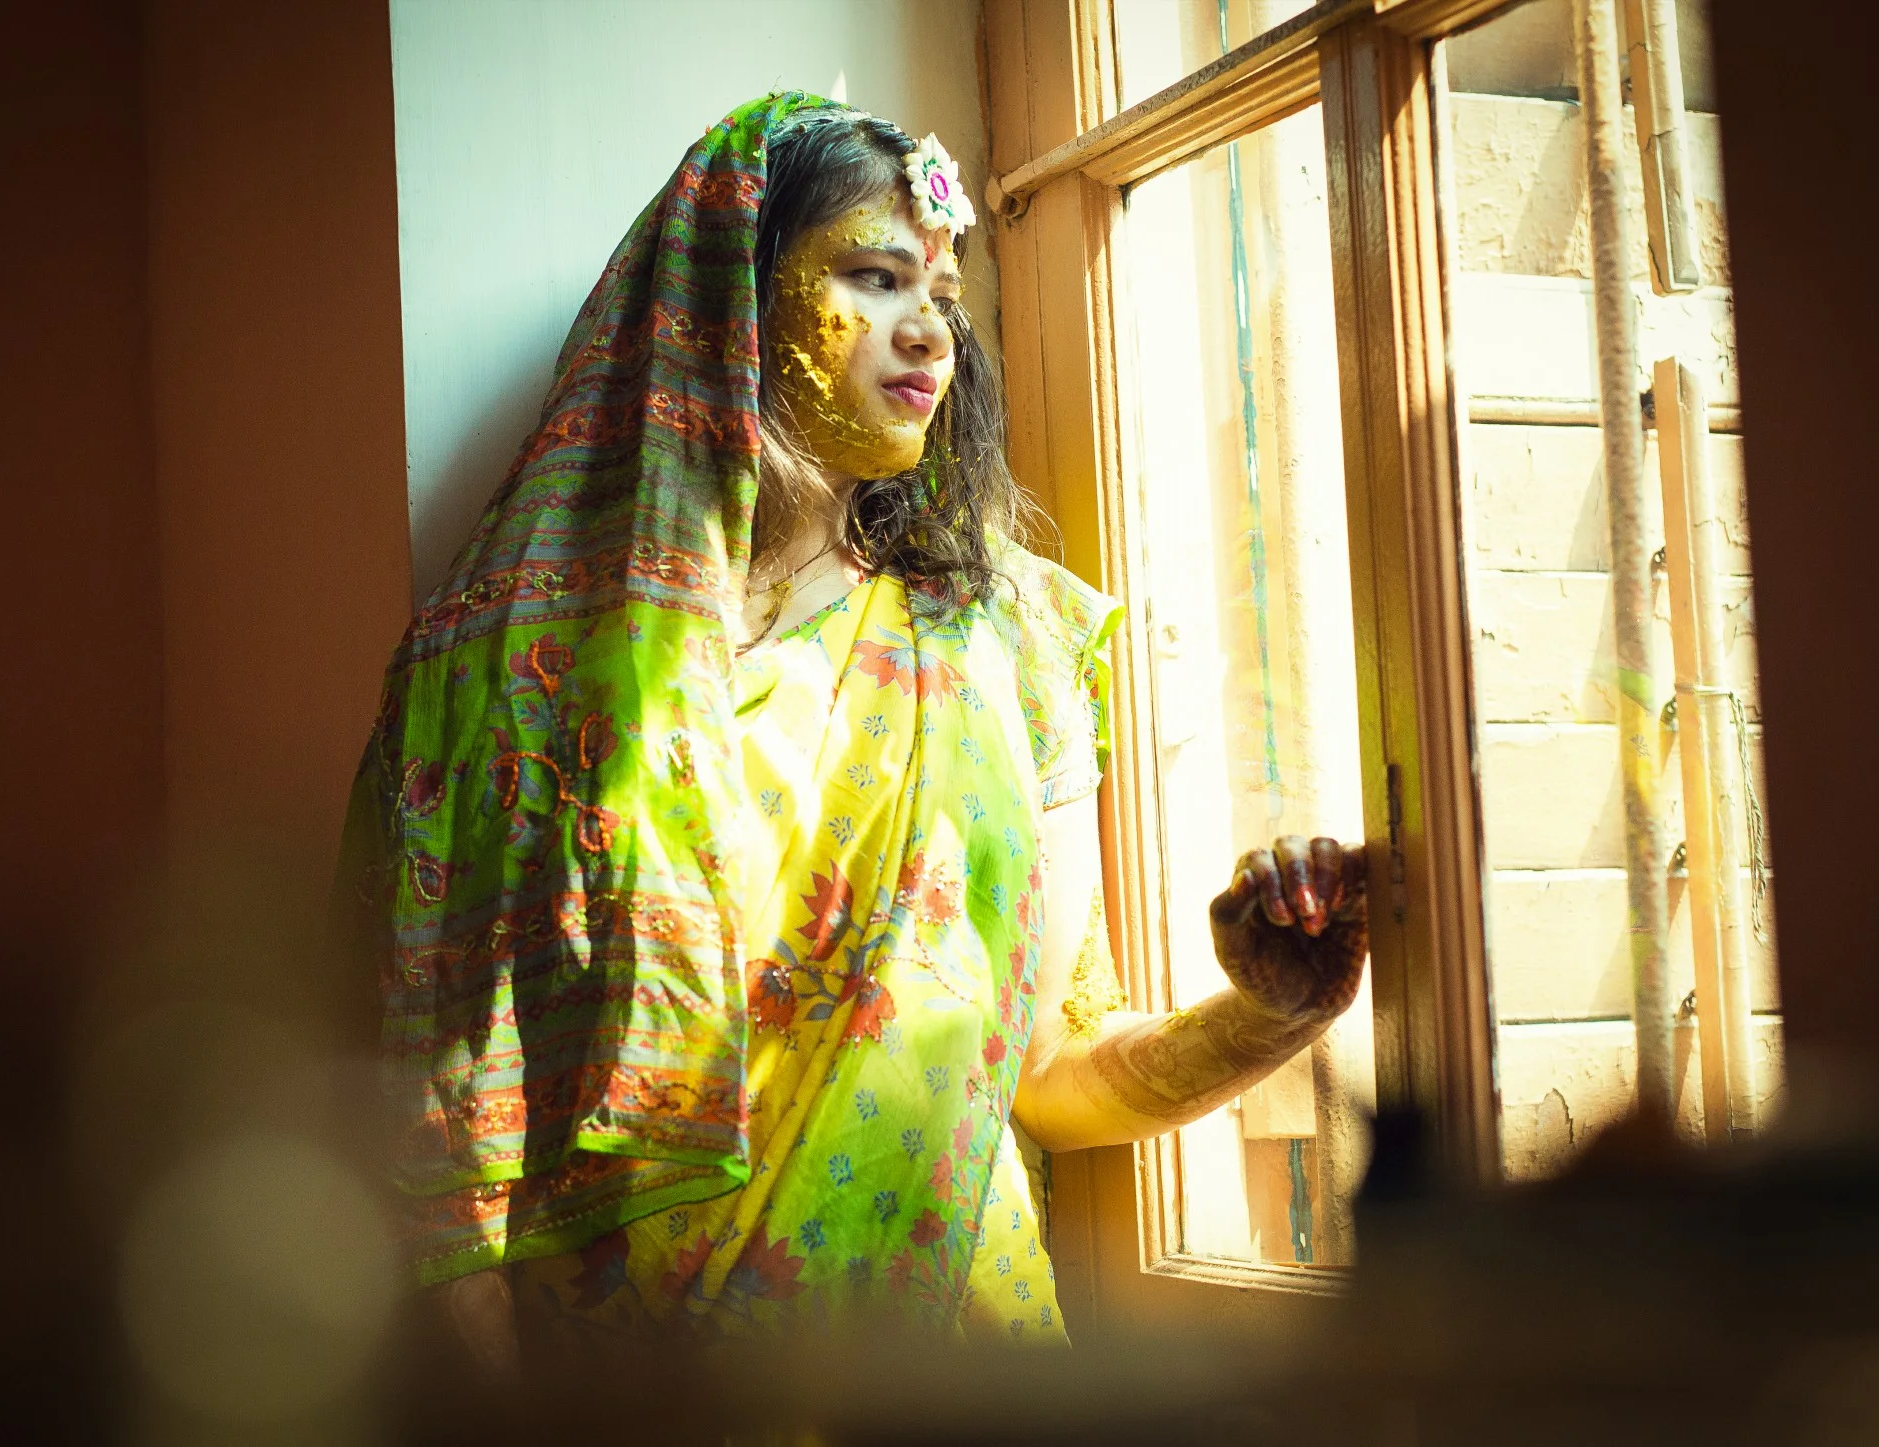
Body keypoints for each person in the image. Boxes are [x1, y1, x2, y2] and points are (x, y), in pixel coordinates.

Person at [341, 93, 1368, 1360]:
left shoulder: (1012, 644)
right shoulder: (509, 674)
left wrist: (1269, 1011)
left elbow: (1041, 1073)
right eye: (877, 278)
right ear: (734, 303)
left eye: (943, 288)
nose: (932, 332)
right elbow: (439, 1165)